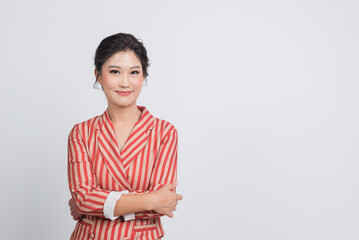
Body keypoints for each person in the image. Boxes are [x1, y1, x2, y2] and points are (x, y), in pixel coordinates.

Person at [67, 33, 183, 240]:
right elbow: (84, 198)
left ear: (143, 77)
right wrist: (150, 200)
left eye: (134, 72)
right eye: (114, 72)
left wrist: (98, 205)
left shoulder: (164, 132)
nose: (125, 82)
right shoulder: (81, 133)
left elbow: (163, 203)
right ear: (98, 75)